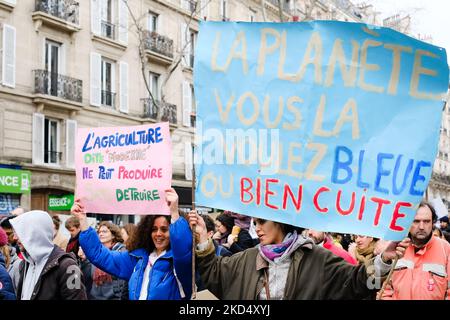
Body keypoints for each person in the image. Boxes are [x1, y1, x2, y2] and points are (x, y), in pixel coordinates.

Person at [189, 212, 409, 299]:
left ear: (280, 219)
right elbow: (213, 273)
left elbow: (357, 282)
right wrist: (202, 238)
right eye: (255, 223)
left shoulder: (317, 259)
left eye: (262, 222)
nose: (258, 229)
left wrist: (383, 260)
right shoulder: (247, 258)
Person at [71, 188, 192, 300]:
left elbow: (182, 248)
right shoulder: (138, 259)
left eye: (164, 229)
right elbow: (99, 255)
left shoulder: (179, 262)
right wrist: (82, 219)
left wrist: (174, 213)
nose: (158, 234)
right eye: (154, 229)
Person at [9, 210, 87, 300]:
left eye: (20, 233)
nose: (14, 237)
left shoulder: (69, 267)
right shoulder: (25, 264)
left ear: (35, 233)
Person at [381, 201, 450, 300]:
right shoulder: (395, 248)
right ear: (408, 222)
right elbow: (385, 290)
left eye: (426, 221)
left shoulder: (446, 249)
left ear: (433, 222)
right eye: (416, 221)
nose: (421, 227)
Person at [90, 221, 128, 300]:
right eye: (99, 232)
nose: (100, 234)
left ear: (113, 235)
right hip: (95, 297)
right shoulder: (96, 252)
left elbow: (123, 280)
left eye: (104, 231)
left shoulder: (121, 252)